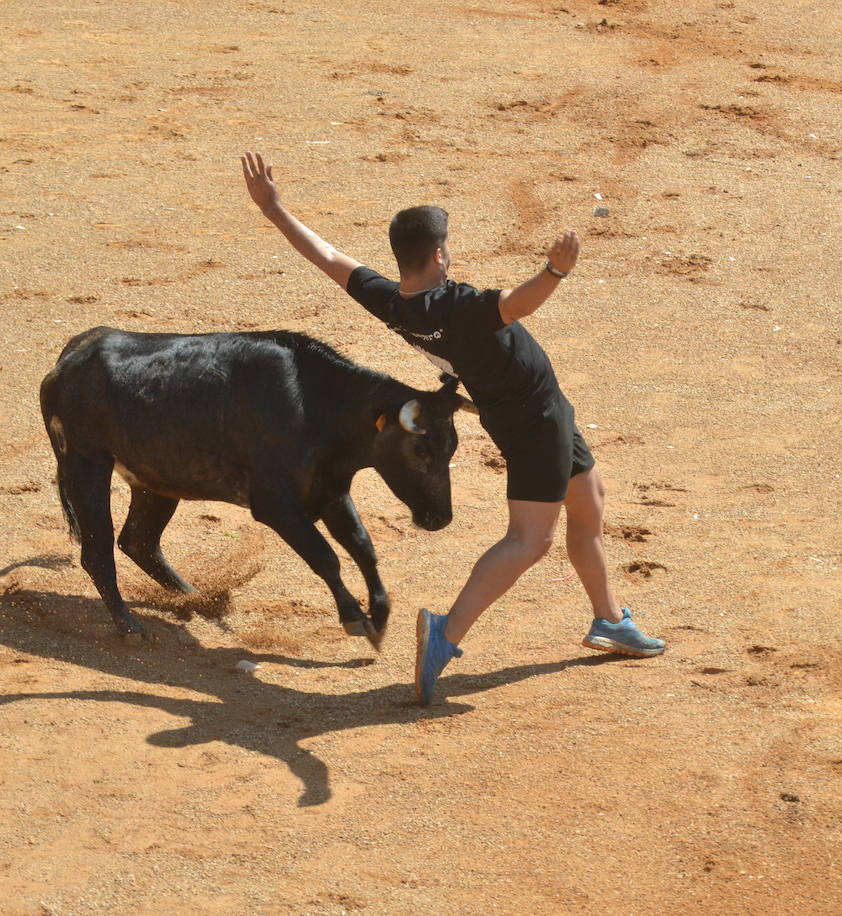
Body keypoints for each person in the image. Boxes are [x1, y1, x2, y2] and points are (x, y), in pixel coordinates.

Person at [239, 151, 665, 705]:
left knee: (588, 499)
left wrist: (275, 210)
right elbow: (517, 304)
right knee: (530, 540)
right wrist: (556, 270)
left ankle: (607, 618)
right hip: (534, 423)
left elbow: (328, 256)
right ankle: (446, 634)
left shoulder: (394, 302)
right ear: (440, 253)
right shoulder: (457, 305)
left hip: (531, 415)